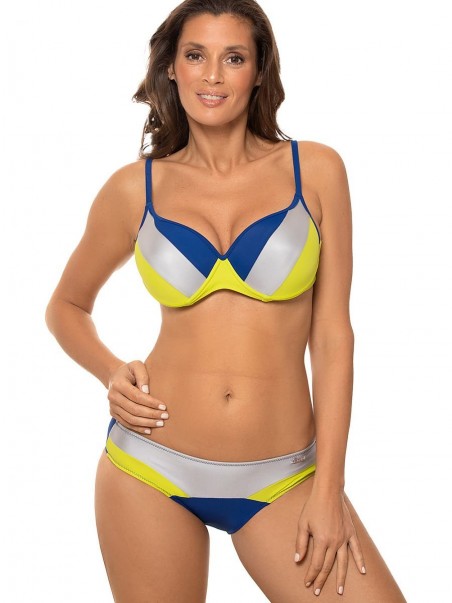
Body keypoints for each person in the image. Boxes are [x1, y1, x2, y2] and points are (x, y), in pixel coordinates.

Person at [45, 0, 407, 600]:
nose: (212, 75)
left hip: (284, 477)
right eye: (196, 55)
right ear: (171, 68)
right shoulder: (134, 188)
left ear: (259, 71)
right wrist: (111, 370)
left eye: (233, 58)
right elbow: (65, 307)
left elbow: (333, 337)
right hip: (149, 466)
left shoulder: (316, 171)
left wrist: (329, 490)